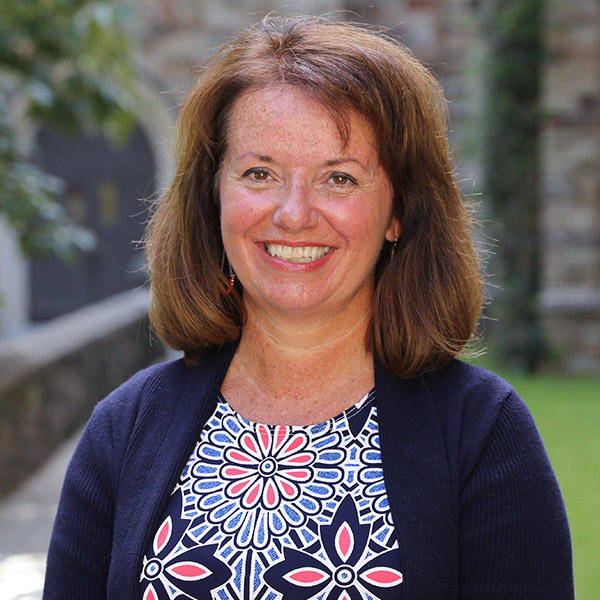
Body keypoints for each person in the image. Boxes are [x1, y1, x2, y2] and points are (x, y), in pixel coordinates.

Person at [43, 15, 573, 600]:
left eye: (339, 178)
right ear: (214, 196)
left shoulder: (482, 433)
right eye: (260, 173)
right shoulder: (124, 430)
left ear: (398, 213)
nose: (293, 213)